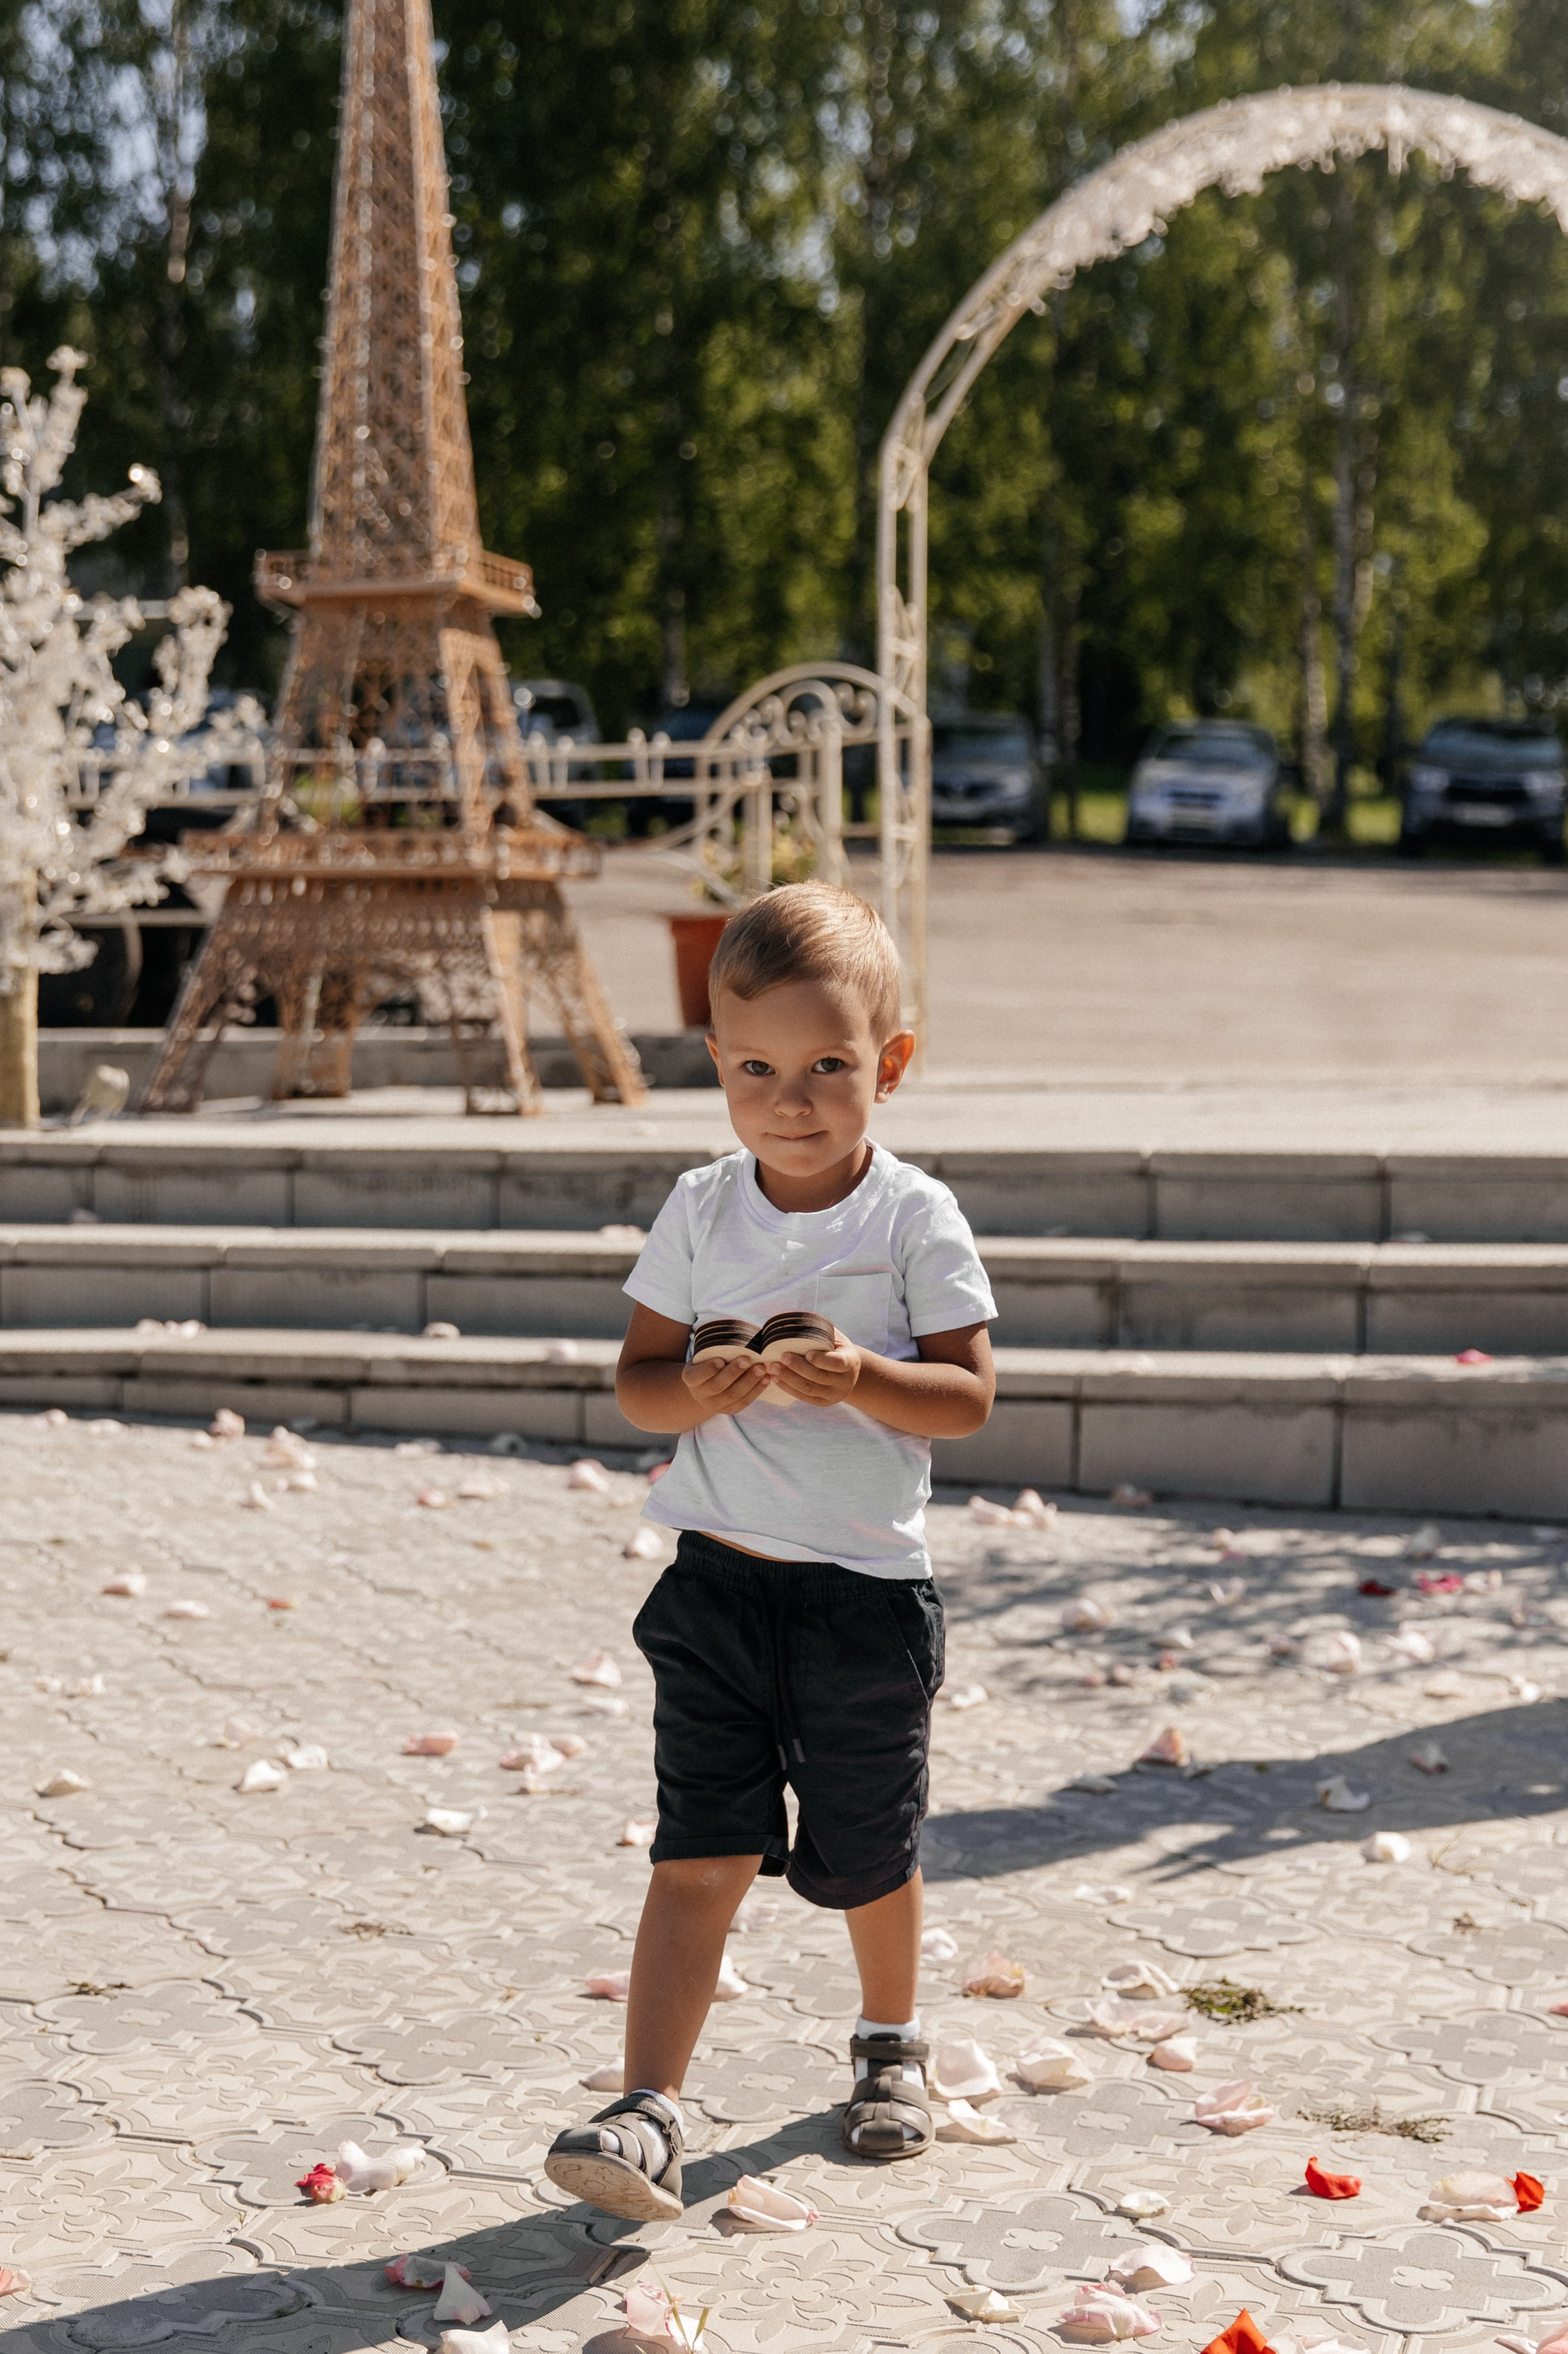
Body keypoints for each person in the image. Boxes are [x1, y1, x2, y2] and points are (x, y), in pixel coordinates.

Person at [544, 880, 997, 2223]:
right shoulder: (700, 1209)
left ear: (889, 1065)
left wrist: (859, 1373)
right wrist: (700, 1392)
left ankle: (886, 2043)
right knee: (697, 1847)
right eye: (755, 1070)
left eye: (826, 1069)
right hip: (714, 1589)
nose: (788, 1101)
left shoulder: (912, 1219)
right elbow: (635, 1380)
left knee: (867, 1848)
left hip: (861, 1596)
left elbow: (967, 1399)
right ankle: (646, 2112)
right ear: (716, 1065)